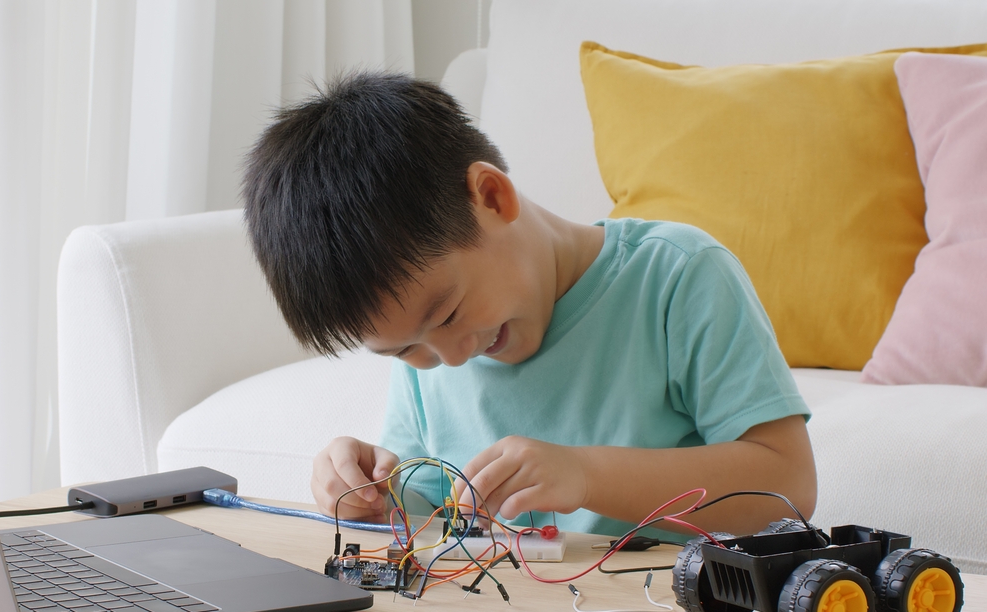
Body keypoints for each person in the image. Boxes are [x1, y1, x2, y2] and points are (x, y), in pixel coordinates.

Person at [242, 72, 816, 538]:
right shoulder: (433, 356)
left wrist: (586, 475)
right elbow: (437, 510)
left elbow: (788, 485)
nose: (452, 355)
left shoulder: (677, 276)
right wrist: (373, 495)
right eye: (405, 349)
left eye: (447, 315)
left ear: (492, 197)